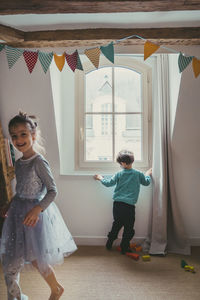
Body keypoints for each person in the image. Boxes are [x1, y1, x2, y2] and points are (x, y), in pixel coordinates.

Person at [0, 112, 77, 300]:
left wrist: (37, 209)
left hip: (34, 217)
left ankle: (56, 288)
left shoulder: (39, 162)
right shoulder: (18, 163)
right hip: (17, 214)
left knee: (36, 259)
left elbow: (52, 190)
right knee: (11, 260)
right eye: (14, 135)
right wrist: (9, 205)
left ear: (33, 135)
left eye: (23, 134)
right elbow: (20, 190)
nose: (18, 139)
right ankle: (15, 297)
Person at [94, 150, 152, 255]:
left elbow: (108, 183)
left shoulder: (119, 174)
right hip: (129, 207)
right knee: (129, 228)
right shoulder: (138, 174)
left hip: (118, 205)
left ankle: (110, 242)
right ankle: (124, 247)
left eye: (120, 163)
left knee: (116, 224)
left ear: (123, 163)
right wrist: (147, 174)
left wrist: (100, 178)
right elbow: (146, 182)